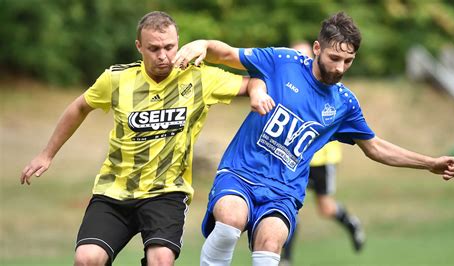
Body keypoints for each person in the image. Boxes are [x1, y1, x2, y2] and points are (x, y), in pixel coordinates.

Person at [173, 11, 454, 266]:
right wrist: (204, 45)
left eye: (348, 61)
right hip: (241, 172)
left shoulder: (345, 103)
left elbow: (375, 147)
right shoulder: (283, 61)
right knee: (230, 221)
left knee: (271, 244)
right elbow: (227, 55)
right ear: (317, 48)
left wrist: (429, 163)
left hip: (284, 191)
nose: (339, 68)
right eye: (334, 58)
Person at [19, 11, 273, 266]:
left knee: (161, 259)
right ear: (139, 47)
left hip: (166, 192)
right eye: (153, 48)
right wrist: (47, 154)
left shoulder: (199, 77)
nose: (162, 55)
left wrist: (257, 94)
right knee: (86, 259)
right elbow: (79, 107)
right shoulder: (117, 78)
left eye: (169, 47)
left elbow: (254, 81)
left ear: (178, 42)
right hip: (114, 191)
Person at [279, 42, 365, 266]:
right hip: (294, 159)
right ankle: (286, 258)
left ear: (315, 54)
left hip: (323, 160)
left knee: (325, 208)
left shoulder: (330, 90)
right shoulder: (290, 83)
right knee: (285, 204)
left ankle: (351, 223)